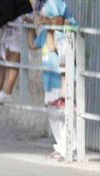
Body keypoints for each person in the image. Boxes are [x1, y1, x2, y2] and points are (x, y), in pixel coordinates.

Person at [33, 0, 75, 159]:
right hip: (50, 70)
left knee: (63, 108)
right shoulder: (41, 5)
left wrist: (47, 22)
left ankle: (68, 146)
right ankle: (61, 145)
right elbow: (35, 43)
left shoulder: (54, 2)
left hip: (60, 66)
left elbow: (58, 21)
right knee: (52, 108)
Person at [0, 0, 32, 103]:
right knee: (9, 54)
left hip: (20, 17)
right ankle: (3, 91)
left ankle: (7, 91)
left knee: (14, 54)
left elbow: (7, 15)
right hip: (13, 18)